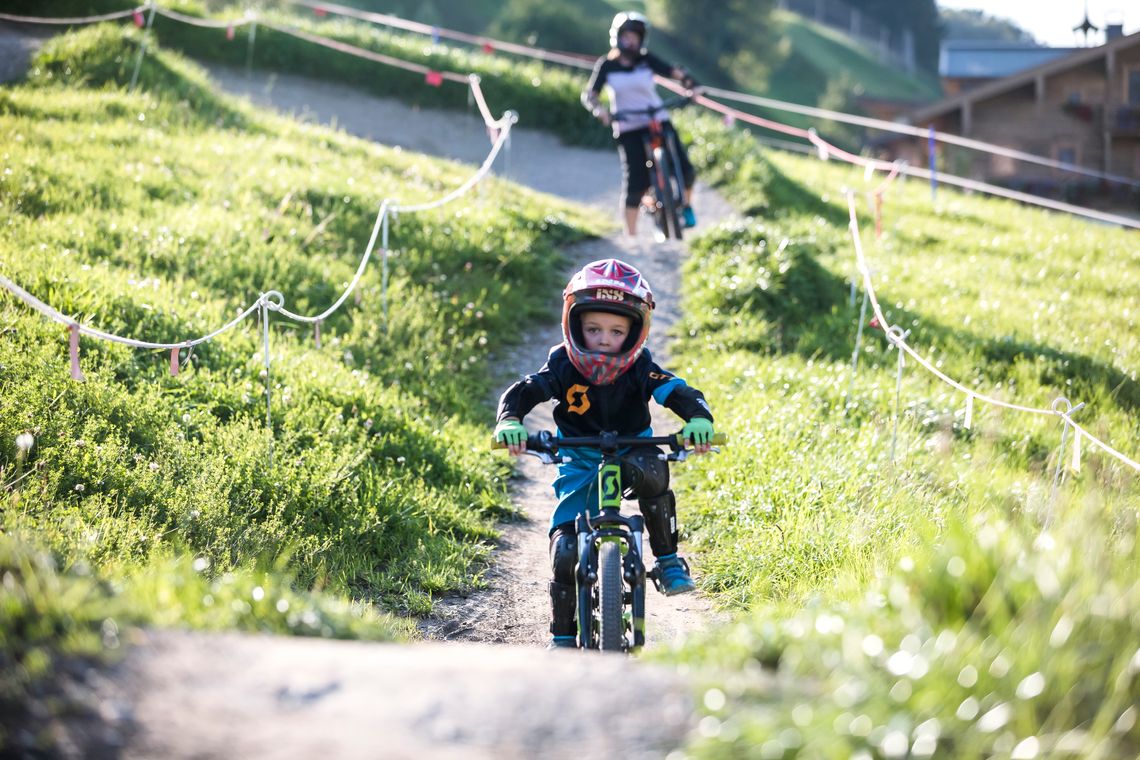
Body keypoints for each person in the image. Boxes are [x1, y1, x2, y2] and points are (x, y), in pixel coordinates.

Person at [493, 258, 716, 649]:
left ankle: (667, 560)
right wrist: (511, 420)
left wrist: (698, 418)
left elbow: (677, 390)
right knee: (564, 550)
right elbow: (526, 389)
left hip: (633, 448)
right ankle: (562, 637)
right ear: (574, 324)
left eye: (615, 331)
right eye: (593, 329)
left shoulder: (641, 367)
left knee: (654, 473)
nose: (603, 339)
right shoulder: (562, 363)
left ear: (635, 332)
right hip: (579, 457)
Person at [582, 11, 699, 237]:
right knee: (636, 182)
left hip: (657, 119)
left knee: (686, 170)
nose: (632, 40)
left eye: (636, 36)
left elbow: (674, 72)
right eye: (628, 35)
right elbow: (590, 95)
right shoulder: (607, 65)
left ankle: (685, 205)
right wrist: (600, 111)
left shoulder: (646, 59)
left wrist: (692, 85)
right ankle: (631, 237)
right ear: (617, 36)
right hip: (628, 126)